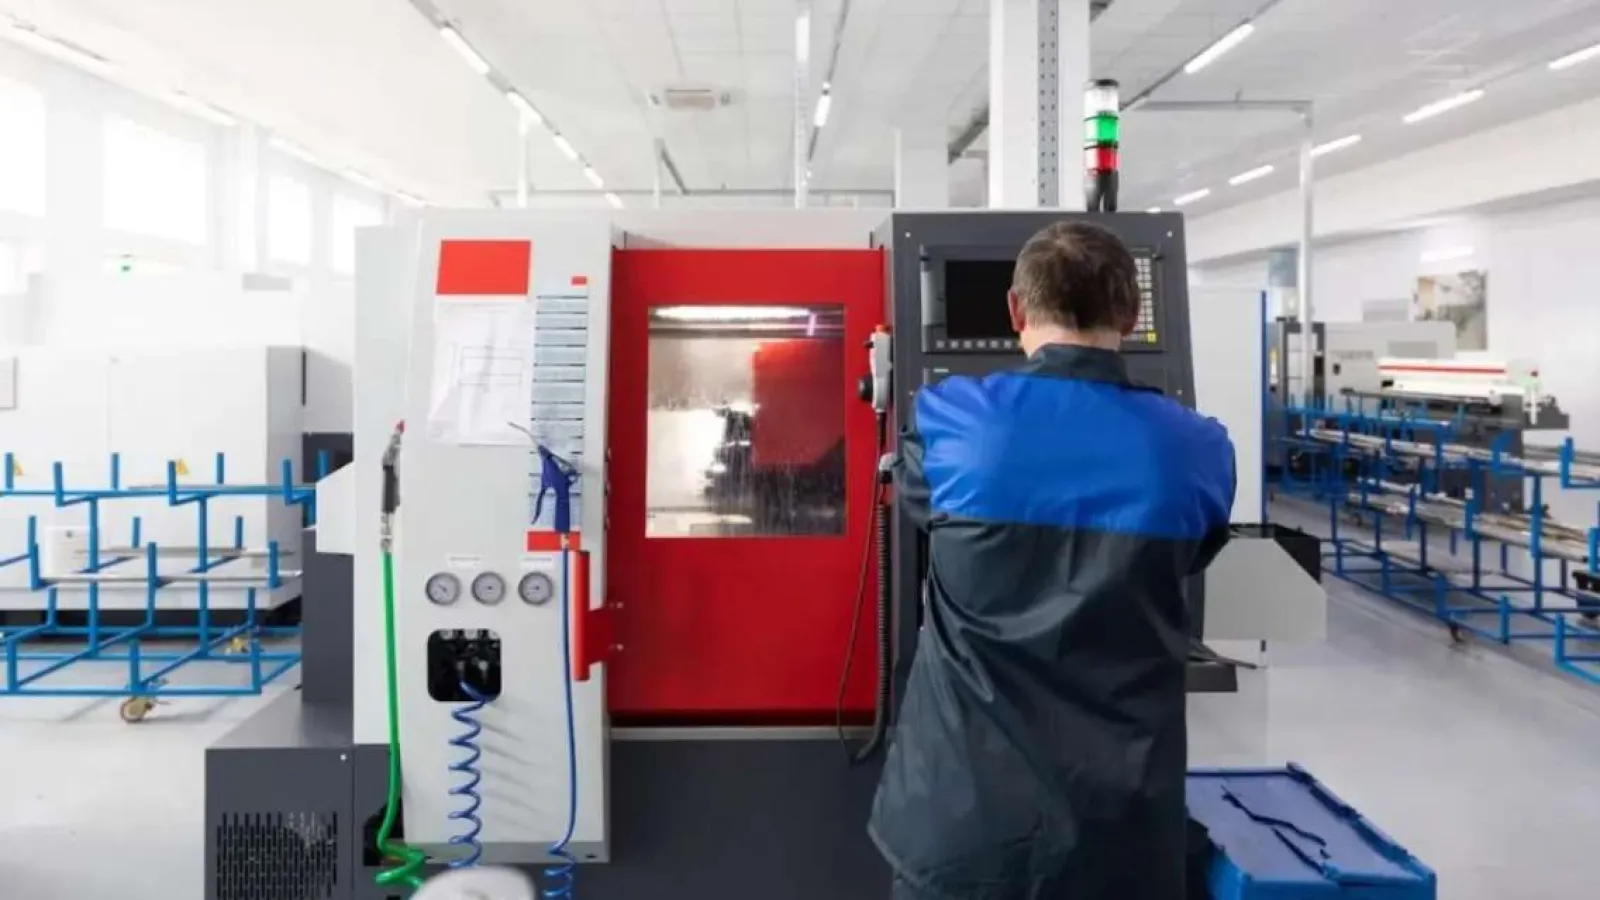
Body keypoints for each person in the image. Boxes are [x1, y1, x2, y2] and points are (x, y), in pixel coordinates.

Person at [869, 221, 1236, 900]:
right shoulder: (1199, 449)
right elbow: (1193, 556)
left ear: (1015, 310)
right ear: (1130, 314)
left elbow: (919, 508)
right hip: (1119, 837)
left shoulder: (952, 419)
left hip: (962, 826)